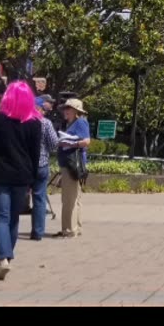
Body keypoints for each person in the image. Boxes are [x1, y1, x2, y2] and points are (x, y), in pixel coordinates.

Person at [0, 81, 43, 281]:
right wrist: (32, 180)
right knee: (13, 219)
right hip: (22, 176)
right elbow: (35, 154)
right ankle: (8, 258)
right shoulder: (35, 123)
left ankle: (3, 259)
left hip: (0, 175)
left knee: (1, 218)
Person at [55, 99, 91, 238]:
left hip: (72, 164)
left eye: (68, 108)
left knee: (69, 199)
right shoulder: (69, 123)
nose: (65, 111)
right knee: (74, 198)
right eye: (65, 108)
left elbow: (86, 141)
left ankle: (69, 230)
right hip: (68, 163)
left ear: (76, 111)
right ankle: (75, 227)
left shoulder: (80, 122)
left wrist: (70, 144)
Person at [29, 96, 58, 240]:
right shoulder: (46, 123)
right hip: (41, 164)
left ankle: (10, 230)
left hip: (23, 166)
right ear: (39, 108)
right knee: (39, 199)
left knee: (16, 197)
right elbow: (54, 144)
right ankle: (37, 232)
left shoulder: (22, 121)